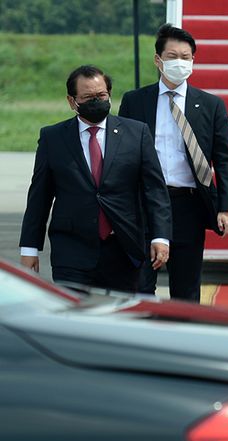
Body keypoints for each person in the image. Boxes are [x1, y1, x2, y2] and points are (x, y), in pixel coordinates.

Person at [19, 65, 171, 292]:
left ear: (109, 94)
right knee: (76, 321)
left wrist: (160, 236)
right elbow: (39, 196)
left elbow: (155, 190)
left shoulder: (136, 133)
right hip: (72, 251)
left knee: (127, 319)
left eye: (101, 95)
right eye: (88, 97)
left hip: (125, 247)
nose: (96, 101)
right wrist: (29, 248)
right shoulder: (53, 138)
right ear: (72, 101)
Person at [119, 24, 228, 302]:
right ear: (158, 60)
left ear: (193, 61)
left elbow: (225, 159)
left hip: (188, 205)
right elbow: (122, 155)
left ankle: (183, 342)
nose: (180, 62)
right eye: (173, 56)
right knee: (140, 286)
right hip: (144, 203)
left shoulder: (210, 105)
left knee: (186, 290)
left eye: (186, 57)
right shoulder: (135, 101)